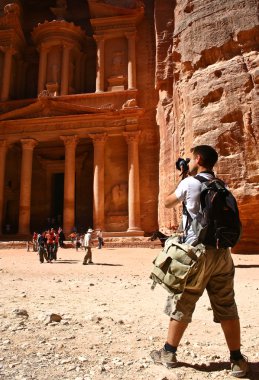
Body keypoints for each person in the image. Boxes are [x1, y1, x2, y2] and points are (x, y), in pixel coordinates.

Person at [150, 145, 248, 378]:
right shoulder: (221, 185)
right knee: (226, 304)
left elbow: (167, 202)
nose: (189, 161)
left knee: (183, 300)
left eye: (191, 158)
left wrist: (183, 177)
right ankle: (236, 360)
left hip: (197, 254)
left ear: (199, 159)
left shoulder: (190, 183)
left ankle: (168, 353)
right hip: (223, 254)